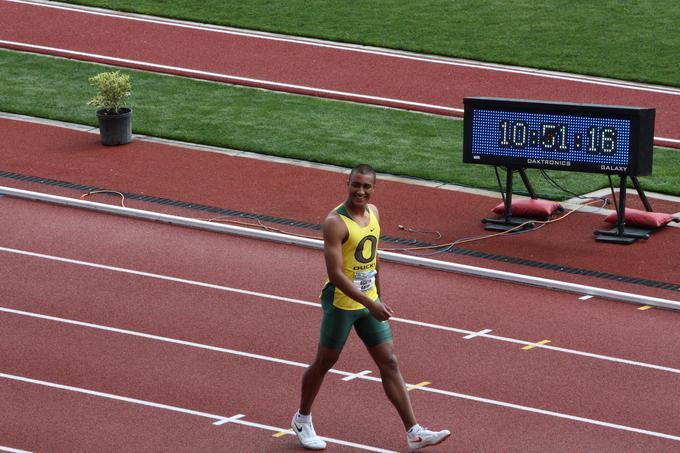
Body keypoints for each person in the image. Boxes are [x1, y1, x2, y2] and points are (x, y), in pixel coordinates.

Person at [292, 164, 450, 451]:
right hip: (342, 303)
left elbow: (374, 256)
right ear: (347, 184)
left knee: (389, 361)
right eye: (356, 185)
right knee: (325, 362)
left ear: (374, 188)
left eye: (366, 186)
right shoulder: (335, 223)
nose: (361, 191)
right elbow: (336, 274)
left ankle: (414, 431)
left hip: (369, 302)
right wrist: (370, 302)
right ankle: (302, 419)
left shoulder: (374, 213)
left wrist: (378, 294)